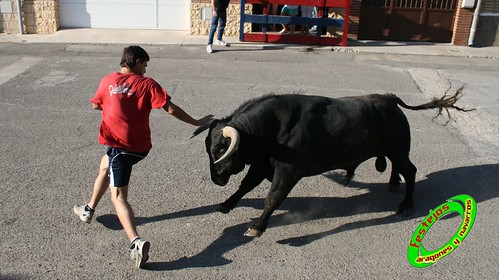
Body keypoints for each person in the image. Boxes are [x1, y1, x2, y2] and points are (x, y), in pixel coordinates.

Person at [73, 45, 213, 268]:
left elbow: (95, 106)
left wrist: (115, 108)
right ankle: (88, 209)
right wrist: (196, 121)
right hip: (139, 147)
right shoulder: (147, 84)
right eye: (145, 65)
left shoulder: (108, 81)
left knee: (118, 196)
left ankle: (135, 242)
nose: (146, 70)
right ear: (137, 61)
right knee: (104, 165)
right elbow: (170, 109)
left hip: (122, 148)